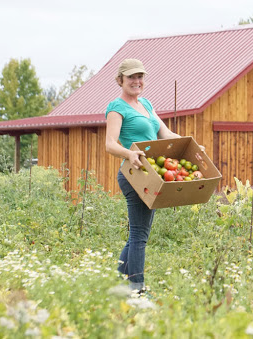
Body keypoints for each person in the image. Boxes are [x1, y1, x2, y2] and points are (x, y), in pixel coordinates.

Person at [105, 58, 180, 292]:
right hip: (134, 174)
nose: (137, 81)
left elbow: (165, 133)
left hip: (150, 175)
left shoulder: (146, 104)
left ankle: (118, 286)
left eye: (140, 77)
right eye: (131, 77)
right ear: (121, 80)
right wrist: (129, 153)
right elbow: (109, 144)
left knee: (138, 233)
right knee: (139, 235)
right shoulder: (117, 108)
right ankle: (136, 290)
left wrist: (193, 146)